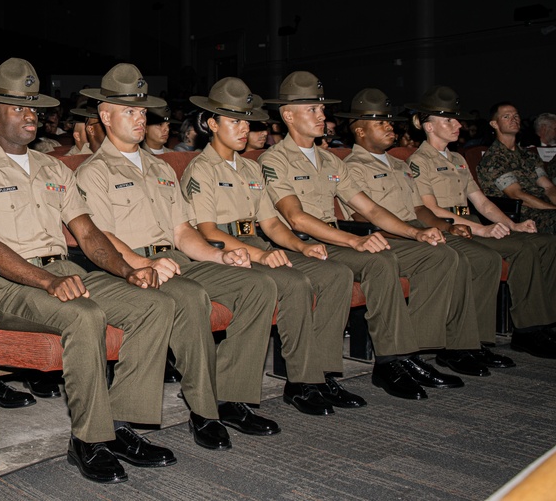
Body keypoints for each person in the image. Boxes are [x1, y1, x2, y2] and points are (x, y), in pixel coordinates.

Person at [0, 58, 205, 484]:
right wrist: (50, 281)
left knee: (154, 304)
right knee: (84, 315)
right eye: (18, 107)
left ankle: (123, 424)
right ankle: (87, 440)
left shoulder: (54, 168)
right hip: (8, 285)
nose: (31, 115)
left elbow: (88, 235)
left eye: (34, 107)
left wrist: (128, 272)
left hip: (67, 270)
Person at [77, 64, 280, 441]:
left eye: (142, 111)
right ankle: (203, 412)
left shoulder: (162, 168)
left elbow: (182, 231)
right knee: (190, 297)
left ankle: (232, 396)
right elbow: (100, 236)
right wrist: (144, 262)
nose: (140, 120)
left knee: (258, 284)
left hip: (175, 258)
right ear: (105, 116)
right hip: (127, 266)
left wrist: (220, 255)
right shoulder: (94, 172)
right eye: (129, 112)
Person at [259, 71, 469, 400]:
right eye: (312, 109)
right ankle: (348, 369)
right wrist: (355, 241)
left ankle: (405, 355)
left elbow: (370, 210)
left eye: (321, 108)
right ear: (288, 115)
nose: (322, 115)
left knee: (437, 253)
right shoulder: (274, 160)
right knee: (374, 263)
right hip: (302, 246)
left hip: (336, 241)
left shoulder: (329, 160)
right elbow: (295, 218)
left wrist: (416, 234)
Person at [183, 77, 361, 415]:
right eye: (233, 120)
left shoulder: (250, 167)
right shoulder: (201, 169)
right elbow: (207, 231)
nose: (242, 128)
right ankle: (284, 385)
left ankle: (317, 376)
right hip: (224, 250)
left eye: (245, 121)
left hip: (256, 243)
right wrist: (262, 255)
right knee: (293, 284)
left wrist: (301, 246)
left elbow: (272, 223)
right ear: (211, 124)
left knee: (335, 273)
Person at [338, 88, 506, 373]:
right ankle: (419, 347)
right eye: (381, 123)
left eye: (390, 121)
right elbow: (366, 217)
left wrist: (446, 226)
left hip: (416, 228)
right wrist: (417, 234)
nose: (390, 126)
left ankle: (464, 344)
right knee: (447, 257)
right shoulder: (352, 167)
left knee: (482, 258)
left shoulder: (399, 164)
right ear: (360, 132)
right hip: (386, 234)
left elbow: (420, 209)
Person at [408, 86, 556, 358]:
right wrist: (481, 229)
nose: (457, 125)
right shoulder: (419, 161)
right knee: (499, 255)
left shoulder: (458, 159)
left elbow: (482, 202)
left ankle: (535, 325)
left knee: (541, 242)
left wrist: (513, 226)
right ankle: (474, 340)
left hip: (471, 222)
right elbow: (429, 209)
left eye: (456, 119)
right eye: (448, 120)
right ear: (428, 126)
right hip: (449, 227)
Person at [477, 102, 556, 234]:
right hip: (521, 216)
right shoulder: (494, 159)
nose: (513, 119)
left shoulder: (528, 156)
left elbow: (548, 187)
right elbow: (516, 195)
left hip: (545, 209)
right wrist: (553, 209)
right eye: (506, 117)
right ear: (494, 124)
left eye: (516, 116)